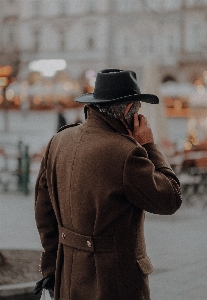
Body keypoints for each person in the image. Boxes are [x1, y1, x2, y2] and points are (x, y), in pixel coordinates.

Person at [33, 69, 182, 300]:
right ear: (127, 111)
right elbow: (171, 199)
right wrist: (150, 145)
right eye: (138, 109)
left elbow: (44, 213)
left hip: (68, 276)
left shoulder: (58, 141)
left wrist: (51, 270)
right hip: (116, 282)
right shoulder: (127, 153)